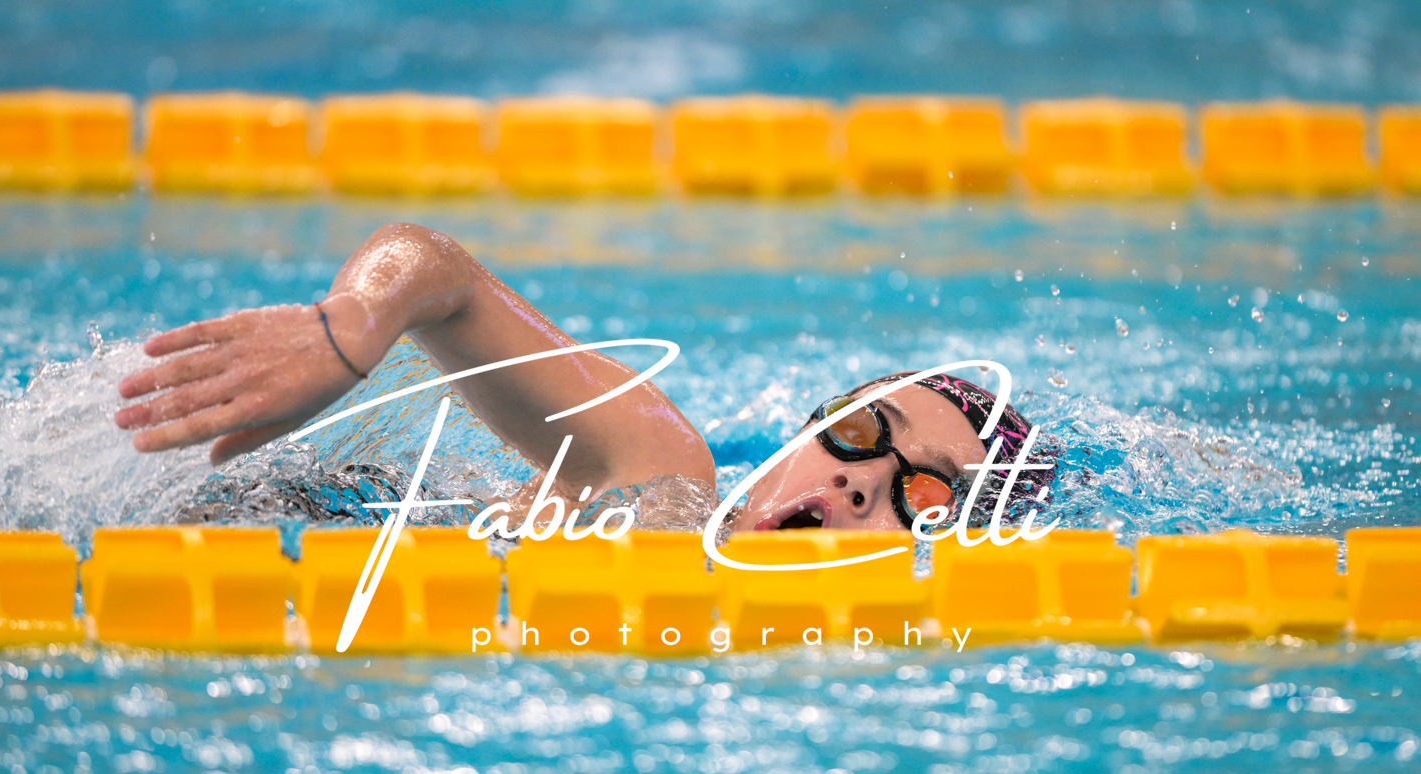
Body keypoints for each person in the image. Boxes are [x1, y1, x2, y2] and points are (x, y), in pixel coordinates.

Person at [115, 223, 1047, 533]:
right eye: (861, 433)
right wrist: (346, 329)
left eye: (928, 497)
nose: (859, 480)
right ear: (806, 433)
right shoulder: (666, 480)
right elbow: (437, 272)